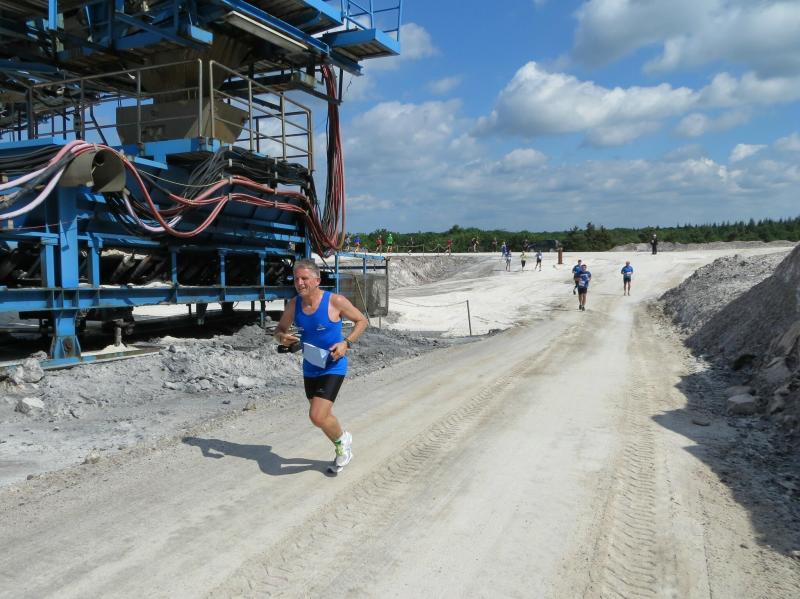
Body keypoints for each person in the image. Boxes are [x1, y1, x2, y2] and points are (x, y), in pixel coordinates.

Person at [275, 259, 368, 473]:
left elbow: (362, 321)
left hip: (333, 365)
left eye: (304, 278)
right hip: (311, 365)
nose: (299, 283)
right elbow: (279, 330)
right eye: (296, 279)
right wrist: (282, 338)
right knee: (322, 416)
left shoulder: (335, 301)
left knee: (317, 416)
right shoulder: (294, 304)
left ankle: (342, 446)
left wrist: (346, 343)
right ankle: (343, 439)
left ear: (317, 280)